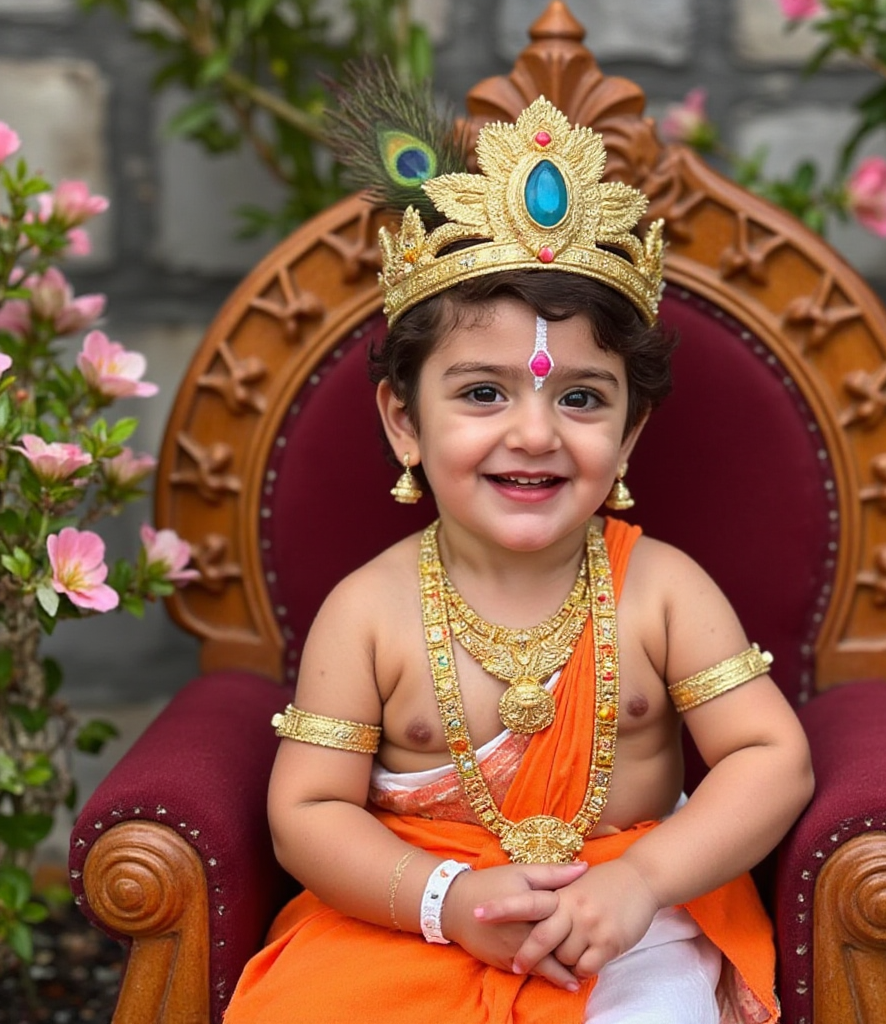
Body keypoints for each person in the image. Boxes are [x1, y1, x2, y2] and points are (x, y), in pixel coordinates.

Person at [224, 95, 814, 1024]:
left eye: (582, 399)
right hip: (407, 921)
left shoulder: (661, 590)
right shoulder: (369, 612)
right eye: (484, 392)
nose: (534, 433)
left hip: (623, 920)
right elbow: (307, 815)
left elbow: (770, 758)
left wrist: (642, 882)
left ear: (630, 433)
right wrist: (445, 900)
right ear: (403, 422)